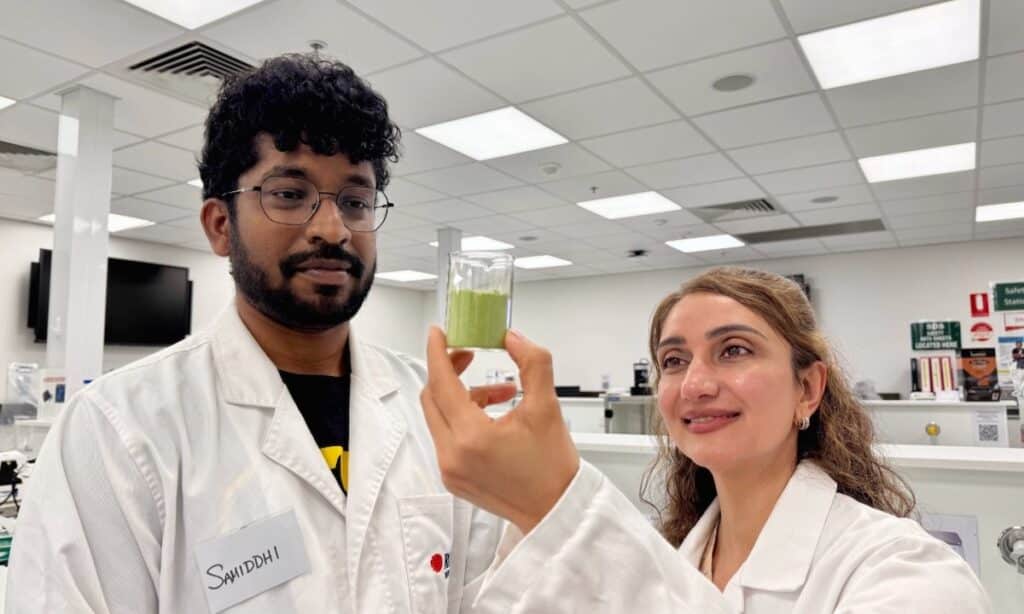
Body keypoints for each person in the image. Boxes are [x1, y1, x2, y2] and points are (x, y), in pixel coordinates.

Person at [7, 54, 502, 613]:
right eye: (289, 194)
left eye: (356, 201)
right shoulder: (119, 430)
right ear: (220, 225)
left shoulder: (435, 412)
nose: (332, 228)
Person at [421, 267, 991, 613]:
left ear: (808, 389)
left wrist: (557, 508)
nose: (694, 384)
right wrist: (531, 521)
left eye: (734, 350)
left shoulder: (908, 571)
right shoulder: (677, 556)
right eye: (673, 360)